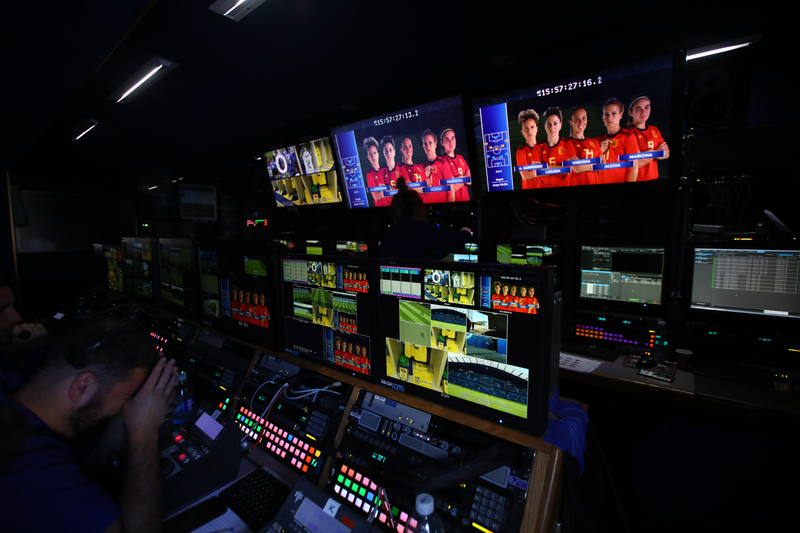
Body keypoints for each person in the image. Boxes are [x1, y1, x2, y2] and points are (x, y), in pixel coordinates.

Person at [0, 316, 179, 533]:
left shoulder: (12, 388)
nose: (123, 407)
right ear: (84, 386)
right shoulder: (38, 477)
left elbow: (91, 461)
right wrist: (144, 432)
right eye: (125, 396)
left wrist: (130, 414)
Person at [377, 177, 472, 260]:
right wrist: (466, 232)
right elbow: (455, 240)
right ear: (419, 209)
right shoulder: (421, 229)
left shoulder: (390, 233)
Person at [531, 107, 578, 188]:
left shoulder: (568, 143)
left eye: (555, 123)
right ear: (545, 126)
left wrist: (544, 166)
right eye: (549, 124)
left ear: (560, 124)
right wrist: (562, 168)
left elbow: (571, 169)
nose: (552, 127)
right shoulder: (538, 147)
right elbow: (536, 171)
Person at [627, 95, 669, 181]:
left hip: (654, 180)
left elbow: (667, 153)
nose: (643, 112)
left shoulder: (654, 130)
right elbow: (635, 163)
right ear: (631, 112)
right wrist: (655, 152)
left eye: (647, 107)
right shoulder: (627, 135)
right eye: (638, 109)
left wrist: (646, 155)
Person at [598, 98, 639, 183]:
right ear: (603, 117)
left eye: (614, 113)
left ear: (621, 115)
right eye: (607, 114)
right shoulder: (599, 140)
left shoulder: (628, 136)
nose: (610, 118)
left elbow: (634, 166)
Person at [567, 107, 602, 187]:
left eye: (584, 118)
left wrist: (583, 164)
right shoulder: (567, 143)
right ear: (570, 122)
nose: (581, 122)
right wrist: (596, 161)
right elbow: (577, 168)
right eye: (577, 119)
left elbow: (603, 164)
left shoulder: (594, 141)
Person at [421, 129, 454, 203]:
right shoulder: (422, 167)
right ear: (423, 146)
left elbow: (451, 189)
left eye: (430, 143)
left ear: (435, 144)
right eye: (425, 144)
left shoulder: (443, 163)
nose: (428, 146)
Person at [439, 127, 471, 202]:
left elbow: (470, 180)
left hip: (467, 202)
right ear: (442, 142)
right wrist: (464, 178)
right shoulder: (441, 162)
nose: (451, 142)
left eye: (452, 138)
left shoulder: (461, 158)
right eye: (447, 139)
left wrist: (458, 180)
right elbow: (448, 188)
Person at [515, 109, 541, 189]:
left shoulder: (543, 148)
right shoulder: (521, 151)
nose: (529, 130)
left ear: (536, 129)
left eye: (532, 127)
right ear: (522, 132)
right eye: (526, 128)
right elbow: (526, 176)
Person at [398, 135, 428, 202]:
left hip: (425, 205)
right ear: (401, 149)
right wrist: (423, 187)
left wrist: (416, 188)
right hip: (413, 207)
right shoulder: (401, 168)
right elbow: (409, 189)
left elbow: (429, 186)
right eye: (405, 147)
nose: (408, 149)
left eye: (410, 146)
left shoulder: (419, 166)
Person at [364, 137, 390, 207]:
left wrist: (384, 190)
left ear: (378, 154)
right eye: (370, 154)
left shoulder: (385, 170)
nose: (373, 156)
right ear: (368, 157)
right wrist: (389, 189)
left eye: (374, 153)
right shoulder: (369, 174)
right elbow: (377, 196)